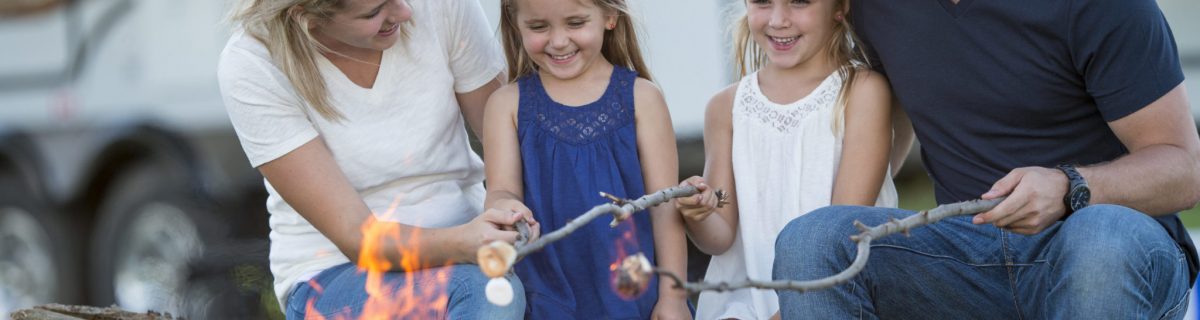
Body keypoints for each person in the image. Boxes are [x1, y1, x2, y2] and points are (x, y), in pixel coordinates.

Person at [773, 0, 1200, 318]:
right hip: (965, 254)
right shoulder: (876, 8)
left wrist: (1070, 187)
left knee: (1098, 237)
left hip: (1112, 244)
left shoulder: (1103, 7)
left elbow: (1184, 169)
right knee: (811, 241)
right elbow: (878, 110)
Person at [217, 0, 536, 319]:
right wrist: (465, 242)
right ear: (304, 16)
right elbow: (360, 239)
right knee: (488, 293)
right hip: (336, 270)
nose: (405, 13)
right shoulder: (252, 63)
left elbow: (511, 148)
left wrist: (503, 204)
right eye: (374, 12)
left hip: (470, 243)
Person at [673, 0, 911, 318]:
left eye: (798, 2)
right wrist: (698, 213)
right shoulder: (725, 107)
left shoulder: (862, 92)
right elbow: (720, 236)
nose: (778, 19)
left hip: (834, 299)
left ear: (840, 7)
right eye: (762, 2)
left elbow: (840, 233)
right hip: (744, 306)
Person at [481, 0, 691, 318]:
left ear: (610, 16)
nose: (559, 41)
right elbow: (501, 190)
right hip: (546, 301)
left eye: (575, 23)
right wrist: (505, 206)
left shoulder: (642, 98)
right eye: (539, 27)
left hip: (635, 299)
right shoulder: (506, 105)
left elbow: (665, 210)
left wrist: (673, 298)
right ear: (516, 24)